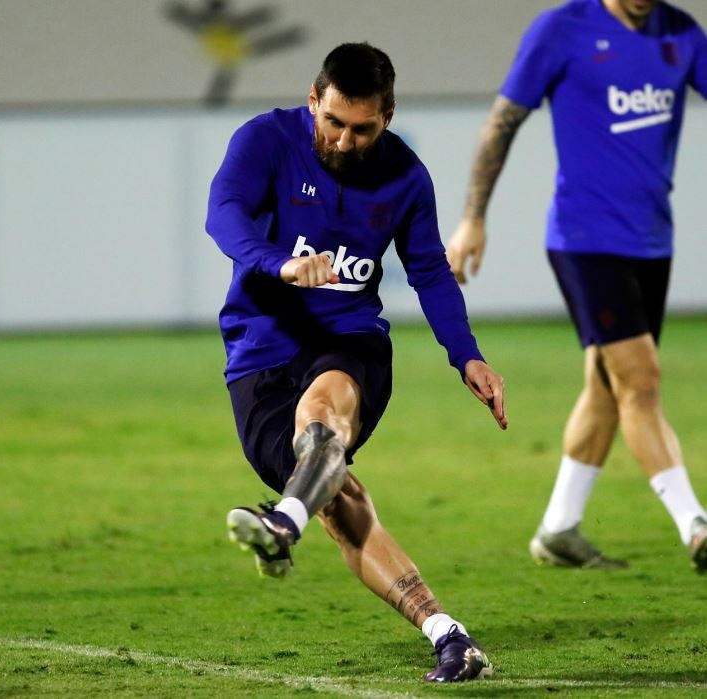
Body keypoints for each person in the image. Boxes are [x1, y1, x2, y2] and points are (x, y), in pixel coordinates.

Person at [206, 42, 507, 683]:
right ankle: (449, 635)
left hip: (350, 342)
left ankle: (283, 521)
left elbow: (428, 269)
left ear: (387, 116)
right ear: (314, 99)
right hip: (259, 350)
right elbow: (222, 213)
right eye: (333, 122)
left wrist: (467, 356)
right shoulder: (264, 140)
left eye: (362, 128)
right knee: (341, 507)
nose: (344, 141)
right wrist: (276, 263)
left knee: (324, 418)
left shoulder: (404, 175)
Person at [447, 0, 707, 571]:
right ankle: (696, 523)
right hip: (584, 240)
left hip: (652, 241)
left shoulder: (681, 32)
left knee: (610, 386)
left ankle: (559, 528)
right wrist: (473, 217)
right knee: (640, 379)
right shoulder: (562, 30)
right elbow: (502, 122)